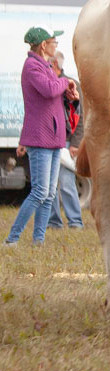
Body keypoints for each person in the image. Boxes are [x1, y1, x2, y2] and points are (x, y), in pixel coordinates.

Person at [5, 27, 78, 246]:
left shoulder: (44, 66)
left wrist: (68, 93)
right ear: (44, 45)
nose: (56, 45)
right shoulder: (32, 66)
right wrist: (65, 83)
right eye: (53, 41)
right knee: (39, 191)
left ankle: (39, 241)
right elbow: (48, 89)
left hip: (53, 137)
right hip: (41, 138)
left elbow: (52, 93)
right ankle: (12, 239)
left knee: (48, 195)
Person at [46, 52, 84, 230]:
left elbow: (80, 116)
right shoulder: (47, 84)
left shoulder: (72, 84)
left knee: (67, 182)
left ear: (55, 65)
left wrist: (76, 143)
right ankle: (54, 222)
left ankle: (75, 221)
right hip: (50, 139)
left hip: (67, 141)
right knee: (50, 185)